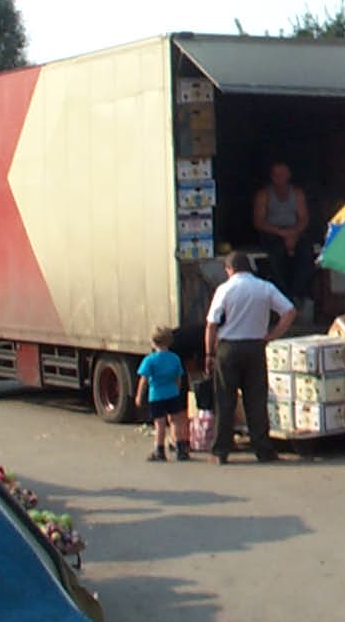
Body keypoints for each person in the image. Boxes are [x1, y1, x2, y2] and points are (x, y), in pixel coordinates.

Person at [205, 250, 297, 464]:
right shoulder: (265, 287)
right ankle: (264, 450)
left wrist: (209, 353)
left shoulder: (225, 289)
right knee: (256, 400)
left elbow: (211, 324)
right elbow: (290, 312)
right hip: (256, 346)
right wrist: (272, 335)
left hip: (228, 348)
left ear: (229, 269)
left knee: (225, 400)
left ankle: (221, 451)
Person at [252, 162, 313, 302]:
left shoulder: (297, 194)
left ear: (289, 175)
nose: (280, 178)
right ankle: (283, 294)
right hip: (272, 232)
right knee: (276, 254)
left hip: (294, 231)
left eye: (283, 174)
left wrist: (293, 233)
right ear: (272, 177)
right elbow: (259, 222)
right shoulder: (264, 195)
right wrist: (282, 233)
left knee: (306, 253)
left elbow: (304, 219)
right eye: (277, 175)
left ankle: (298, 293)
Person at [134, 326, 190, 462]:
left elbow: (144, 380)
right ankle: (180, 450)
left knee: (159, 424)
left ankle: (159, 451)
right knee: (175, 422)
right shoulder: (175, 358)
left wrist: (139, 396)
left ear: (153, 342)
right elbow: (178, 377)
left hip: (156, 396)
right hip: (172, 394)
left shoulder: (150, 360)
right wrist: (176, 389)